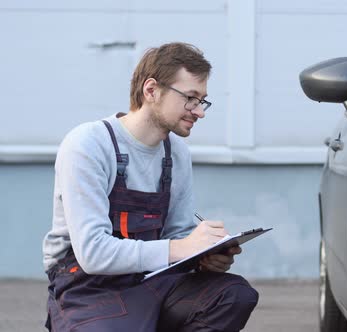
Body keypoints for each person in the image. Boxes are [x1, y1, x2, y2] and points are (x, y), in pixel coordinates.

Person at [42, 42, 258, 331]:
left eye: (202, 100)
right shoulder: (89, 144)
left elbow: (176, 237)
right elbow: (92, 253)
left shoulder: (176, 154)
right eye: (190, 98)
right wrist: (181, 247)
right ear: (152, 90)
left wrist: (203, 256)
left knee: (233, 296)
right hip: (87, 285)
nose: (200, 111)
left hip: (152, 279)